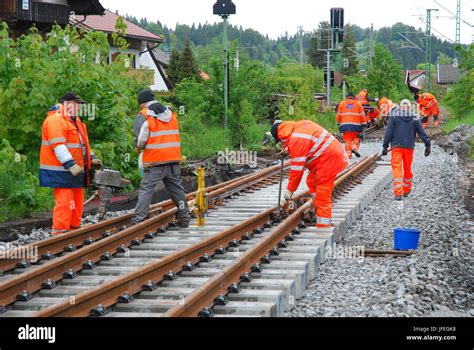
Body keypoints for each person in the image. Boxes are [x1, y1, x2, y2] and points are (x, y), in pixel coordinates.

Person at [40, 93, 101, 235]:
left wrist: (91, 157)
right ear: (67, 103)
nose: (79, 107)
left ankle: (73, 229)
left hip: (76, 170)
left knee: (77, 199)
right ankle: (60, 232)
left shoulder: (75, 121)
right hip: (61, 170)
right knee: (65, 201)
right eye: (77, 103)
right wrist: (70, 164)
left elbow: (83, 144)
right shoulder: (56, 120)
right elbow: (58, 145)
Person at [270, 120, 348, 228]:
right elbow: (305, 143)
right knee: (311, 180)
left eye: (280, 142)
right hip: (330, 156)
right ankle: (316, 204)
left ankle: (323, 226)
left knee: (322, 194)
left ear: (280, 136)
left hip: (328, 160)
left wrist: (290, 190)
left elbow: (297, 169)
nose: (282, 144)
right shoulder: (298, 127)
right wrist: (289, 149)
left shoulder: (296, 140)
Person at [131, 90, 191, 227]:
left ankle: (137, 221)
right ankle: (184, 217)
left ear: (143, 103)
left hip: (154, 161)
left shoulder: (144, 115)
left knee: (146, 189)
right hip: (173, 160)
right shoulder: (171, 114)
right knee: (177, 190)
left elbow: (141, 139)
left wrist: (138, 147)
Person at [382, 100, 431, 201]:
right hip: (409, 147)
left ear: (400, 107)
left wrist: (385, 146)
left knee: (397, 168)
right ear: (409, 107)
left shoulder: (394, 117)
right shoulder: (415, 117)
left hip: (396, 147)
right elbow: (422, 132)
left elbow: (388, 133)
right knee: (407, 168)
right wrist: (427, 145)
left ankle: (398, 193)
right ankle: (407, 189)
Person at [336, 92, 367, 159]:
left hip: (345, 126)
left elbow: (338, 116)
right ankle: (355, 147)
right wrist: (364, 123)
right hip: (356, 126)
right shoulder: (358, 104)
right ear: (354, 97)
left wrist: (338, 122)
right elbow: (362, 115)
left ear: (347, 97)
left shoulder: (342, 103)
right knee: (356, 137)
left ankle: (348, 154)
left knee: (347, 140)